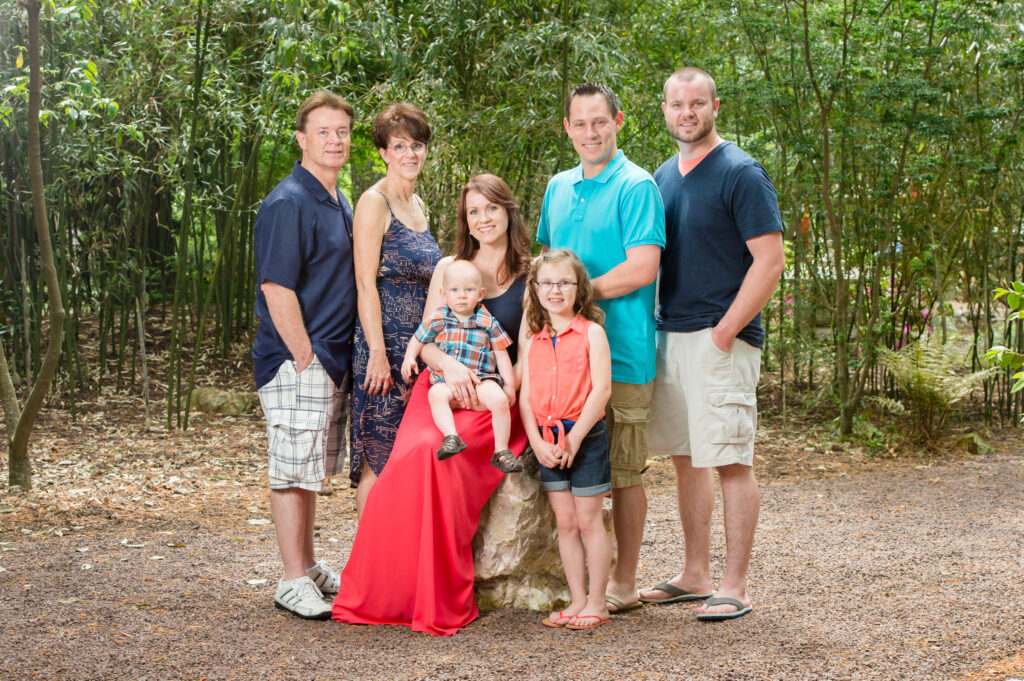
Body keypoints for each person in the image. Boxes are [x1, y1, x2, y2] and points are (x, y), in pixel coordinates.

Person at [332, 173, 532, 635]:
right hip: (439, 389)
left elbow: (524, 348)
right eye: (473, 212)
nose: (483, 219)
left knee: (447, 468)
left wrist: (500, 389)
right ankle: (388, 592)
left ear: (508, 211)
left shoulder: (530, 273)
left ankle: (438, 596)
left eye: (491, 209)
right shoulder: (449, 266)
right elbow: (426, 341)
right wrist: (451, 370)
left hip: (492, 398)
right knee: (420, 452)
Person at [639, 67, 785, 621]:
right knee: (686, 458)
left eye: (697, 103)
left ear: (715, 107)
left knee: (730, 459)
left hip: (721, 340)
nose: (686, 112)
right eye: (677, 103)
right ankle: (695, 573)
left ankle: (735, 584)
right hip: (670, 335)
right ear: (664, 110)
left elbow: (769, 262)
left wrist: (724, 332)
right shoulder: (662, 176)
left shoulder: (741, 172)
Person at [536, 82, 665, 615]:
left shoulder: (637, 186)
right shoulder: (558, 186)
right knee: (568, 470)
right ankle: (579, 585)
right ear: (567, 128)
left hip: (625, 350)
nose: (590, 133)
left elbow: (643, 268)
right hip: (562, 363)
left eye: (600, 122)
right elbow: (547, 265)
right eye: (580, 123)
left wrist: (575, 299)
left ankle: (623, 585)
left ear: (618, 121)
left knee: (625, 472)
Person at [251, 90, 357, 619]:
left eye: (342, 131)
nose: (334, 140)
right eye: (323, 131)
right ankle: (291, 578)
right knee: (291, 469)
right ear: (301, 138)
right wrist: (304, 357)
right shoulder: (288, 201)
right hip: (297, 360)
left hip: (331, 360)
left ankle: (309, 566)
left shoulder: (339, 199)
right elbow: (276, 287)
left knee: (309, 466)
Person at [349, 103, 442, 516]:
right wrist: (377, 354)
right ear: (383, 152)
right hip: (383, 347)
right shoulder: (374, 202)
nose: (409, 154)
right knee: (379, 458)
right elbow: (364, 283)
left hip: (418, 354)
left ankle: (397, 563)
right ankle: (368, 574)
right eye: (399, 145)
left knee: (408, 459)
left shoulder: (419, 205)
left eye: (417, 145)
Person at [520, 250, 613, 631]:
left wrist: (575, 437)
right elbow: (525, 397)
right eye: (547, 283)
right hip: (546, 438)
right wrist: (537, 444)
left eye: (564, 283)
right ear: (536, 288)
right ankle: (577, 600)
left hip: (584, 433)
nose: (555, 290)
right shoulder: (532, 338)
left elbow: (602, 390)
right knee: (567, 522)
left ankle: (598, 602)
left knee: (590, 520)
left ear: (579, 288)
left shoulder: (592, 332)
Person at [401, 260, 521, 472]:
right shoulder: (439, 317)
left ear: (481, 293)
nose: (462, 295)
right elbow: (419, 339)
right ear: (444, 294)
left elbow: (501, 355)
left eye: (469, 289)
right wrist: (409, 357)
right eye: (455, 290)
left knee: (500, 401)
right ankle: (451, 437)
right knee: (436, 395)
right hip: (448, 380)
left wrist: (510, 385)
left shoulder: (488, 322)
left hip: (482, 378)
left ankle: (501, 452)